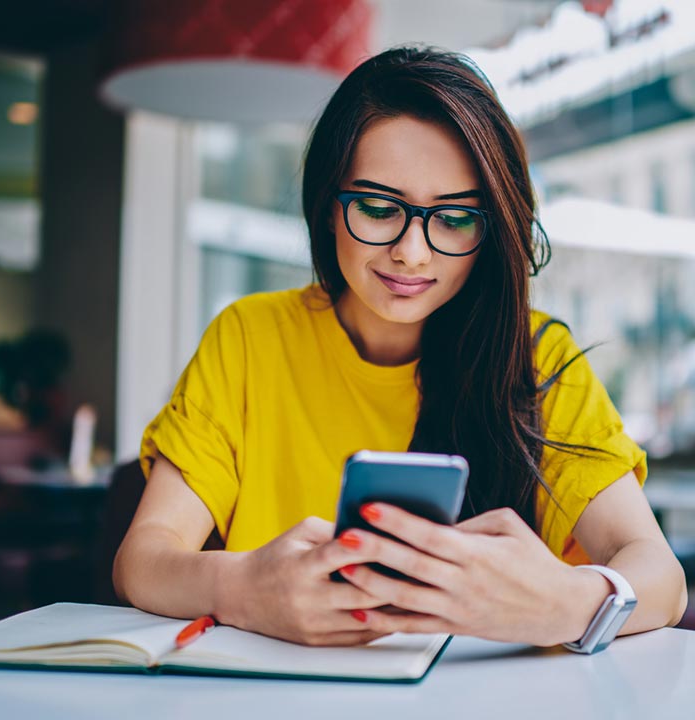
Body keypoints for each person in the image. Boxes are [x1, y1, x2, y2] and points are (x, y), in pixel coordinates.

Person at [113, 46, 687, 649]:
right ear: (328, 208)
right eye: (380, 208)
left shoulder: (537, 360)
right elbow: (142, 560)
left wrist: (568, 603)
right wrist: (240, 588)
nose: (413, 252)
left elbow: (662, 577)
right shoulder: (250, 339)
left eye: (455, 218)